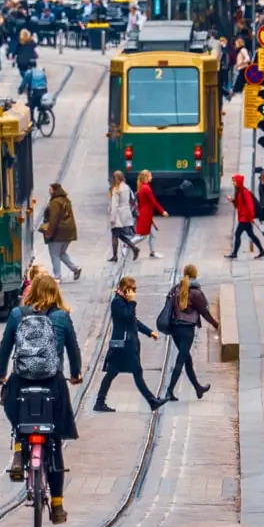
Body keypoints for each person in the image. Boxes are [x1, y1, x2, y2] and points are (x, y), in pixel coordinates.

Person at [0, 273, 82, 525]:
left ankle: (20, 449)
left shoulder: (17, 315)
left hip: (21, 383)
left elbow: (4, 347)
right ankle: (57, 506)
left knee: (15, 413)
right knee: (53, 441)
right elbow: (73, 350)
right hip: (52, 385)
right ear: (55, 293)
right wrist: (75, 374)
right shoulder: (62, 317)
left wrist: (1, 375)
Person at [94, 277, 166, 413]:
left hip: (127, 344)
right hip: (123, 345)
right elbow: (127, 316)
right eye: (132, 290)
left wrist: (149, 332)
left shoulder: (124, 302)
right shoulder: (117, 302)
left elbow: (134, 322)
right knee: (135, 372)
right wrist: (132, 302)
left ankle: (99, 402)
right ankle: (152, 401)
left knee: (112, 372)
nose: (134, 292)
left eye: (135, 290)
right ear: (125, 289)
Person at [162, 265, 220, 402]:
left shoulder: (175, 289)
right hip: (187, 330)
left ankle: (198, 388)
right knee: (181, 360)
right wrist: (215, 324)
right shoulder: (196, 293)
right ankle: (169, 390)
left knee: (187, 360)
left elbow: (167, 306)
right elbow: (204, 312)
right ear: (195, 275)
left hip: (175, 329)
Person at [40, 183, 82, 282]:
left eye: (50, 189)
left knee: (54, 254)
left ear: (55, 190)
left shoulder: (55, 203)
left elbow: (53, 219)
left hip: (59, 232)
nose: (49, 191)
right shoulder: (66, 200)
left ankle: (57, 276)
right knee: (61, 253)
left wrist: (49, 232)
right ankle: (75, 269)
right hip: (68, 232)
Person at [224, 174, 264, 259]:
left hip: (245, 218)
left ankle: (235, 253)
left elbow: (250, 205)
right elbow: (238, 205)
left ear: (238, 182)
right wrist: (233, 200)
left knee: (237, 234)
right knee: (251, 235)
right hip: (244, 218)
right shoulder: (239, 192)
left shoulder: (244, 192)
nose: (233, 183)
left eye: (234, 181)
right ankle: (262, 250)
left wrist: (251, 217)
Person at [133, 170, 167, 258]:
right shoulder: (146, 188)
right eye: (150, 176)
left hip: (146, 213)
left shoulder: (144, 186)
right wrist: (162, 211)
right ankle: (127, 244)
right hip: (145, 214)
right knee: (143, 235)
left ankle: (153, 252)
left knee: (153, 233)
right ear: (146, 178)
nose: (151, 177)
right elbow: (153, 201)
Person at [108, 171, 140, 262]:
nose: (113, 179)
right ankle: (132, 248)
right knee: (119, 234)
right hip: (126, 213)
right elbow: (133, 199)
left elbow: (115, 205)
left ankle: (118, 255)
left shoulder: (116, 189)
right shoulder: (127, 187)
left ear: (116, 178)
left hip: (118, 215)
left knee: (115, 234)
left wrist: (112, 218)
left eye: (114, 178)